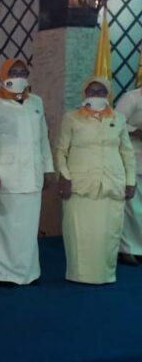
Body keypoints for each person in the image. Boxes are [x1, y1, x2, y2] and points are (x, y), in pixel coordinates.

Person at [0, 59, 55, 285]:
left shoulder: (36, 102)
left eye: (23, 72)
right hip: (5, 177)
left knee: (28, 229)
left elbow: (43, 138)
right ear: (3, 75)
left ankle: (27, 273)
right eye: (13, 72)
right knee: (2, 227)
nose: (18, 76)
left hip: (32, 175)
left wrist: (48, 168)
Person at [56, 77, 136, 284]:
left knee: (108, 233)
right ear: (85, 94)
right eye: (92, 91)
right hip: (79, 184)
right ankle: (78, 274)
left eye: (101, 92)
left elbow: (127, 152)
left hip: (112, 183)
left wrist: (130, 181)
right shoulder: (71, 118)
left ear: (108, 95)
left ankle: (105, 274)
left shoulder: (118, 119)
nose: (96, 95)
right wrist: (64, 177)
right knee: (79, 232)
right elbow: (61, 151)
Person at [115, 71, 142, 264]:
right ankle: (127, 249)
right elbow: (115, 122)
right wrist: (136, 131)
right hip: (133, 158)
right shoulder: (131, 97)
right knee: (132, 207)